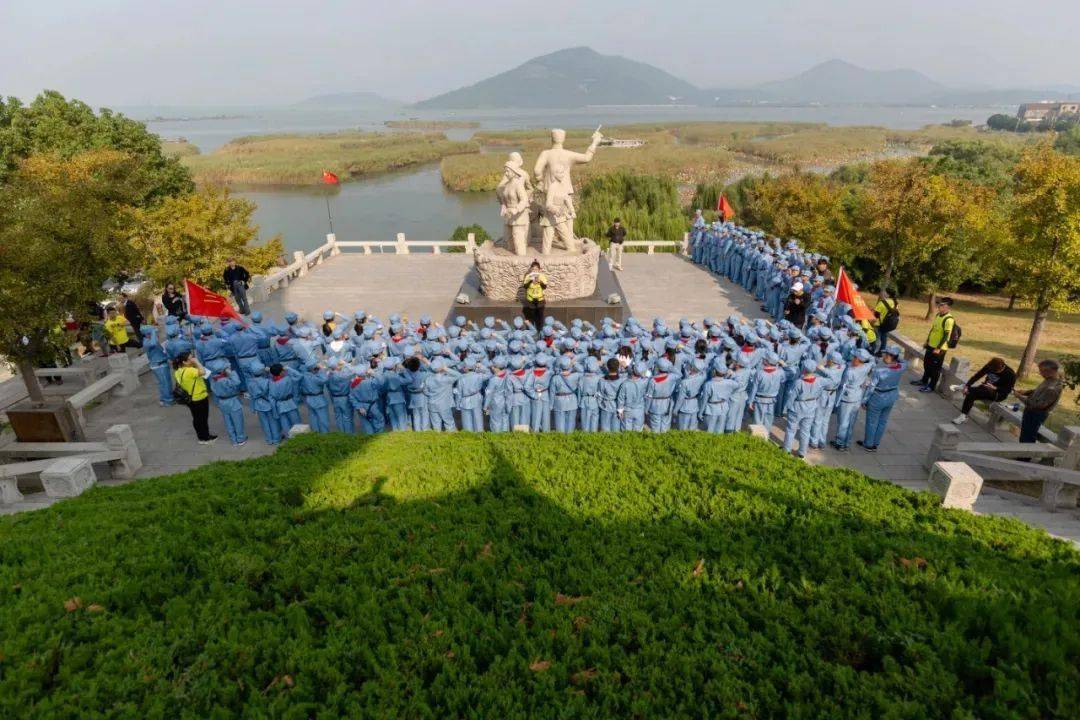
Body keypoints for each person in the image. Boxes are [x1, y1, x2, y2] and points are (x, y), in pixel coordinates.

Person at [859, 345, 907, 452]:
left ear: (890, 356)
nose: (883, 356)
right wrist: (896, 356)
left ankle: (868, 444)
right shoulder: (901, 367)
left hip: (878, 397)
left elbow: (871, 387)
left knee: (872, 422)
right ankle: (876, 443)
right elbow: (904, 362)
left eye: (886, 354)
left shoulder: (879, 371)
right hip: (892, 395)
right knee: (882, 421)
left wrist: (864, 400)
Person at [953, 357, 1016, 425]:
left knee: (972, 392)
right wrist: (967, 385)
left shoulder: (1010, 374)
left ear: (1001, 368)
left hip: (998, 394)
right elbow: (977, 376)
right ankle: (963, 416)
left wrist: (995, 388)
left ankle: (965, 389)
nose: (992, 372)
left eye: (995, 372)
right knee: (971, 394)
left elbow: (1008, 390)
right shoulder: (990, 366)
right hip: (984, 388)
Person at [1014, 359, 1063, 444]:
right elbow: (1038, 391)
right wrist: (1026, 392)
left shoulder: (1053, 388)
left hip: (1036, 414)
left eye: (1041, 371)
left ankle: (1025, 456)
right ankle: (1022, 454)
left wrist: (1019, 397)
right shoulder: (1049, 380)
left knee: (1028, 436)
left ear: (1049, 371)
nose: (1040, 373)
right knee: (1025, 433)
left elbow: (1038, 405)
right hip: (1030, 411)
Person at [913, 297, 955, 393]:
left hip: (939, 349)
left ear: (947, 307)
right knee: (926, 364)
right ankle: (924, 381)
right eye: (939, 304)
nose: (939, 306)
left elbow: (946, 335)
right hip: (931, 345)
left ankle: (931, 386)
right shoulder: (938, 315)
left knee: (935, 369)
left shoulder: (949, 319)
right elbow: (933, 329)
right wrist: (927, 341)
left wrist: (938, 348)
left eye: (941, 305)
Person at [173, 352, 216, 444]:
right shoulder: (190, 371)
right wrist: (197, 362)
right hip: (199, 397)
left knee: (196, 418)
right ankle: (205, 437)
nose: (193, 359)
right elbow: (203, 372)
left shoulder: (178, 371)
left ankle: (201, 436)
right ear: (184, 362)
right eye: (191, 358)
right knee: (203, 418)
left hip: (189, 398)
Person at [870, 291, 899, 356]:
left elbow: (876, 315)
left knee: (876, 338)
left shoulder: (881, 303)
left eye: (880, 295)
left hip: (880, 324)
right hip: (890, 324)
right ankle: (882, 352)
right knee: (884, 338)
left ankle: (873, 352)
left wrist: (872, 311)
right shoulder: (895, 302)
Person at [521, 261, 547, 329]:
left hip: (540, 301)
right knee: (530, 318)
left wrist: (540, 281)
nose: (534, 271)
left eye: (536, 269)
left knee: (540, 318)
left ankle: (540, 331)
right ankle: (531, 331)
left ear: (539, 269)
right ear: (531, 269)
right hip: (530, 301)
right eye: (533, 269)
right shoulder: (528, 276)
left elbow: (544, 287)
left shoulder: (542, 276)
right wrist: (530, 280)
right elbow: (525, 287)